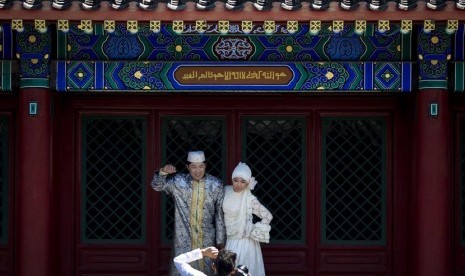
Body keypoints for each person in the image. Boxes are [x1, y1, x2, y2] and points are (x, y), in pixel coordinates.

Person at [151, 151, 226, 276]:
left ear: (205, 166)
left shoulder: (216, 184)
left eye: (201, 166)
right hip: (183, 237)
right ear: (187, 167)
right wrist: (163, 172)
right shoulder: (177, 182)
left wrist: (220, 241)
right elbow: (156, 186)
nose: (198, 170)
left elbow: (219, 215)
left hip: (207, 238)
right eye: (193, 167)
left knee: (208, 269)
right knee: (182, 267)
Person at [223, 162, 273, 276]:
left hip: (245, 242)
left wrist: (255, 230)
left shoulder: (250, 199)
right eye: (235, 180)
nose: (238, 184)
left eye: (243, 181)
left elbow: (268, 216)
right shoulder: (225, 191)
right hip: (229, 239)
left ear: (248, 182)